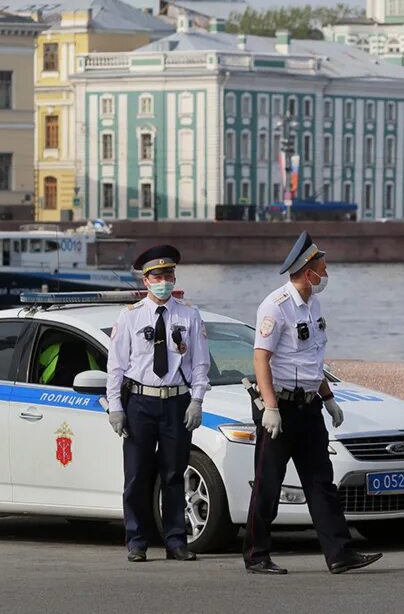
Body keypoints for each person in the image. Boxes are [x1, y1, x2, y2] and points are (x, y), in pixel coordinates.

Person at [243, 232, 383, 575]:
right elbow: (261, 359)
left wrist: (329, 397)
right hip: (280, 409)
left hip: (309, 407)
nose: (326, 273)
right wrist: (271, 408)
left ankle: (339, 554)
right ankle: (256, 555)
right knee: (268, 484)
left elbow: (310, 360)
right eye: (323, 267)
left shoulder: (313, 306)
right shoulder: (275, 306)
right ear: (308, 271)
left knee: (321, 483)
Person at [106, 245, 209, 563]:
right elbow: (116, 366)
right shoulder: (130, 317)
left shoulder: (189, 316)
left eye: (168, 275)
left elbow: (201, 363)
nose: (164, 280)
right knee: (136, 475)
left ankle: (176, 540)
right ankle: (137, 540)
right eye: (158, 276)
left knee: (174, 474)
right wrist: (115, 407)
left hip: (176, 403)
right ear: (146, 281)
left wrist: (197, 400)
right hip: (140, 402)